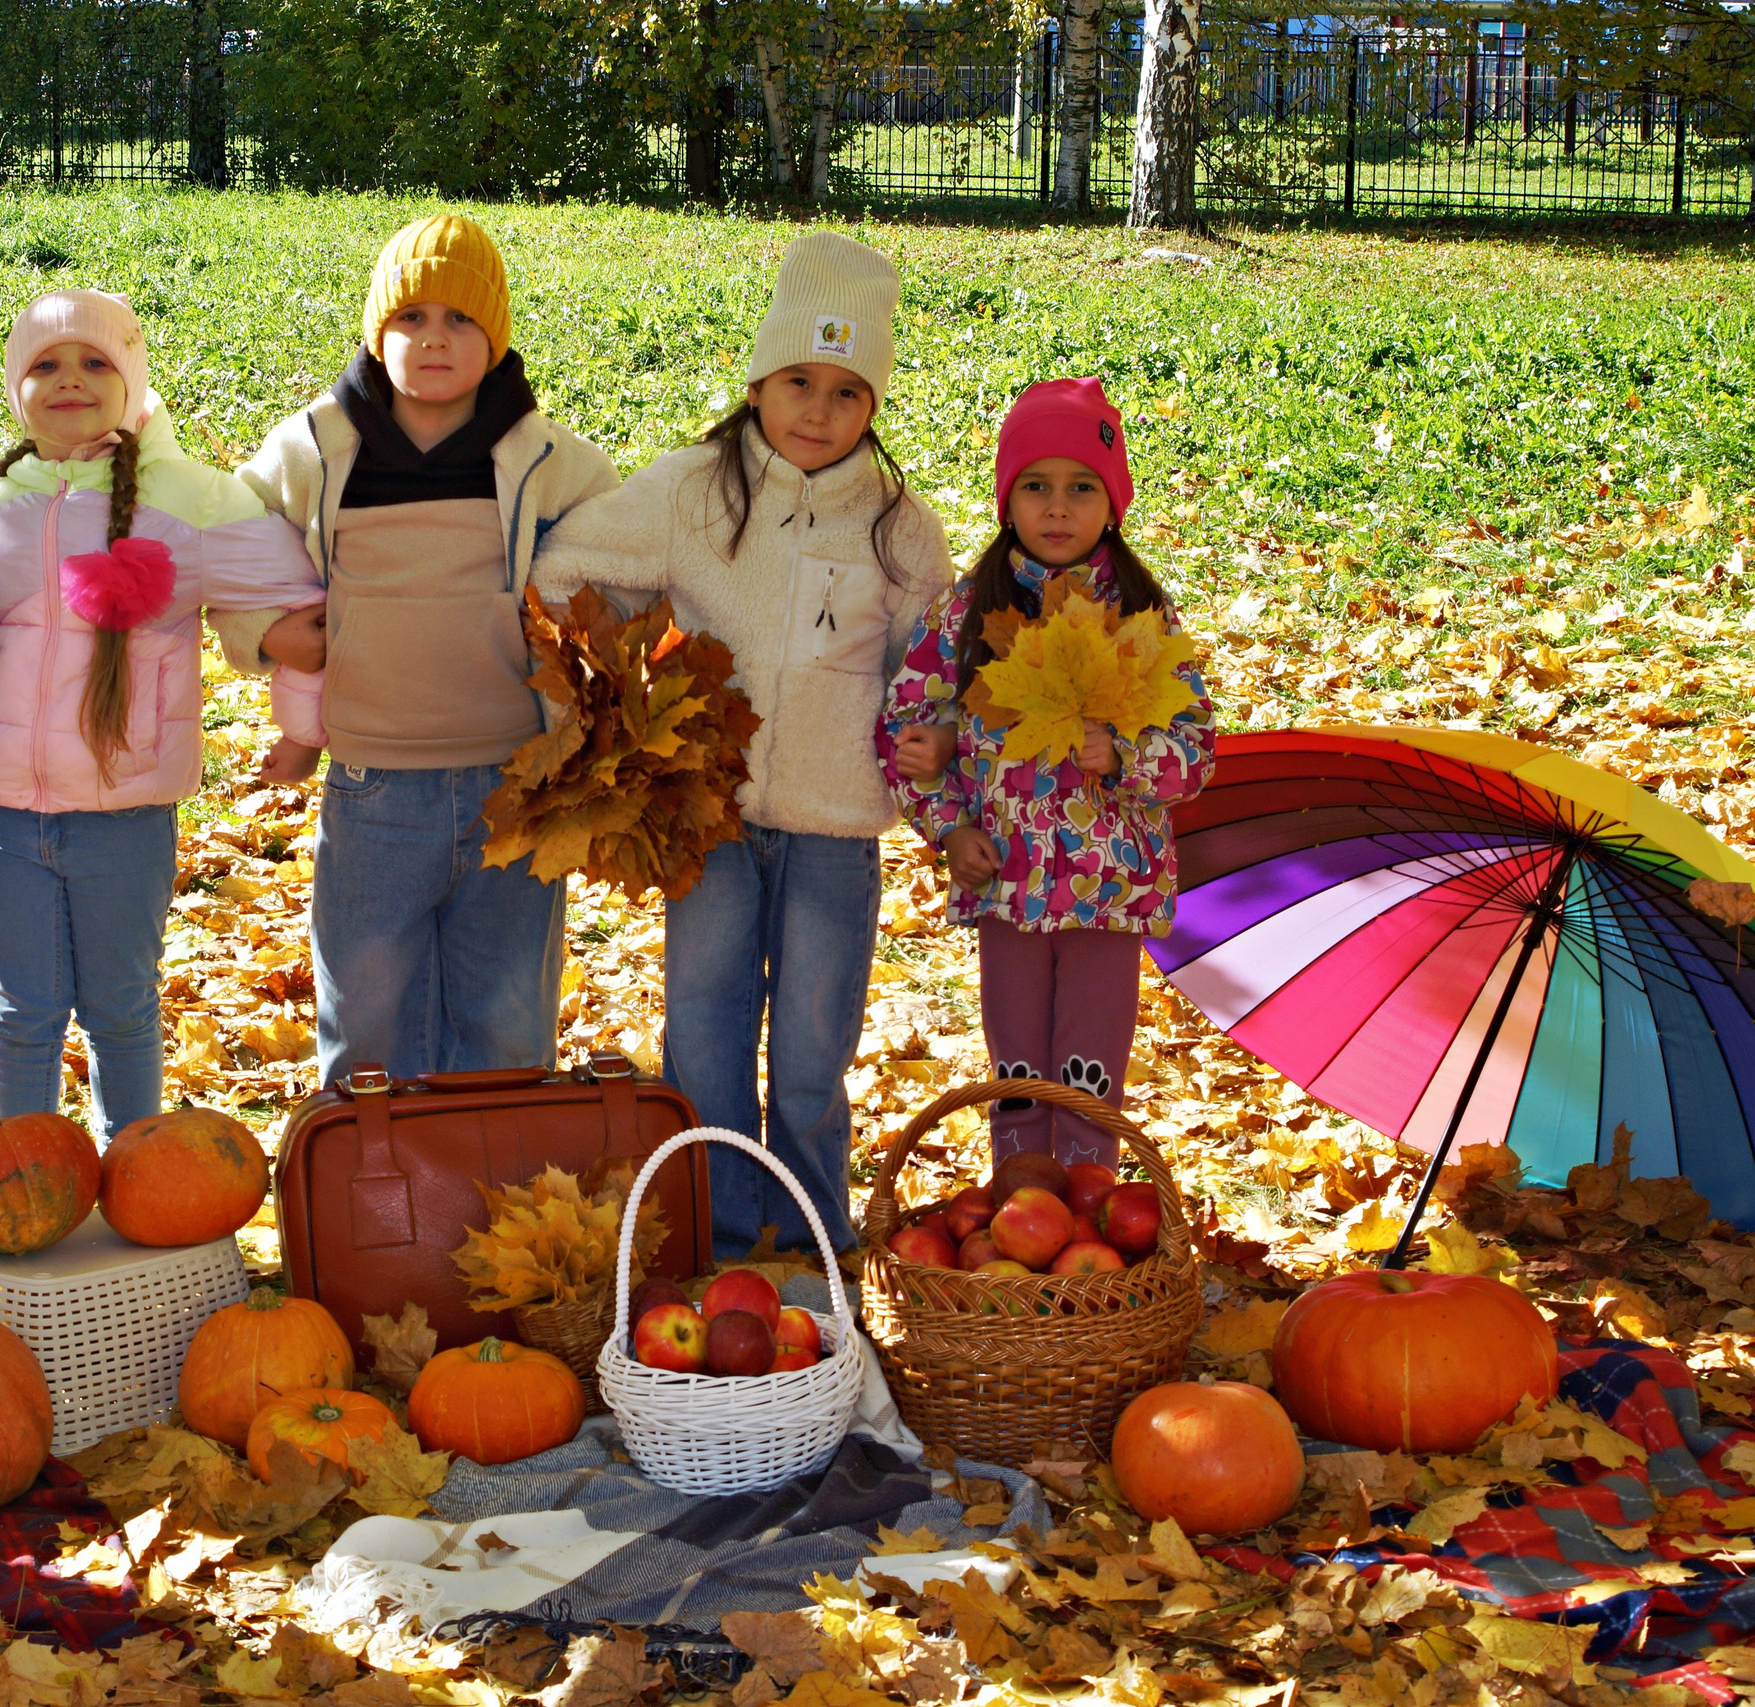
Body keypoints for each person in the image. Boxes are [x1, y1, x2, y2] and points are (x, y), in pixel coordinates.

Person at [530, 232, 953, 1257]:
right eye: (798, 381)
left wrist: (929, 735)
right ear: (758, 379)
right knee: (704, 1032)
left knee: (814, 1043)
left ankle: (810, 1235)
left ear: (875, 405)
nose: (817, 409)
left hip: (833, 827)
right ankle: (714, 1236)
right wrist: (620, 696)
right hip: (705, 818)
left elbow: (931, 667)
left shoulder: (900, 531)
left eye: (846, 391)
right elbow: (563, 577)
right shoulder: (690, 492)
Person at [236, 214, 620, 1083]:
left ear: (497, 337)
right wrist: (260, 634)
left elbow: (624, 551)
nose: (434, 339)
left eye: (460, 320)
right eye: (411, 317)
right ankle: (370, 1205)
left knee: (508, 1023)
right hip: (375, 786)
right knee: (368, 1025)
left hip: (514, 782)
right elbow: (232, 535)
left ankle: (499, 1206)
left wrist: (583, 672)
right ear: (378, 331)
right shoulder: (321, 444)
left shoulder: (544, 457)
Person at [0, 288, 324, 1135]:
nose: (68, 379)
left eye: (94, 362)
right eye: (44, 364)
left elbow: (298, 608)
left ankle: (135, 1170)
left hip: (126, 810)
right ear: (15, 385)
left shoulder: (192, 500)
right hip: (5, 811)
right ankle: (25, 1172)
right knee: (19, 1010)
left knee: (119, 1007)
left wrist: (302, 731)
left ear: (132, 377)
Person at [882, 378, 1214, 1168]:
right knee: (1019, 1063)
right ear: (1008, 498)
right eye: (1035, 486)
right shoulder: (969, 612)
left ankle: (1088, 1206)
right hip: (1006, 879)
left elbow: (1195, 752)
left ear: (1113, 502)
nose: (1057, 508)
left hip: (1108, 890)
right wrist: (949, 823)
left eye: (1080, 487)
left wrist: (1127, 756)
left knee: (1091, 1065)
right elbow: (904, 726)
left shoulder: (1141, 616)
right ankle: (1020, 1200)